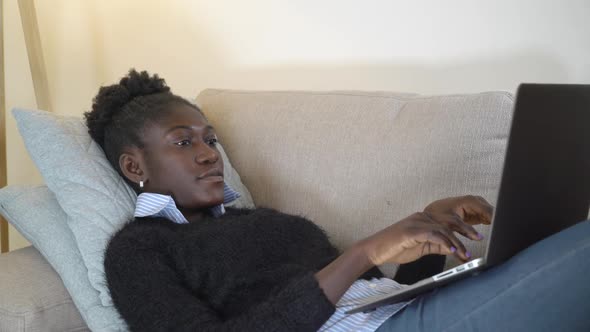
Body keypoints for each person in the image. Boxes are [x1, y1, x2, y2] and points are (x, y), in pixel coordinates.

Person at [87, 69, 590, 332]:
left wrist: (433, 232)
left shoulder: (257, 220)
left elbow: (374, 295)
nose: (207, 154)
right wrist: (363, 253)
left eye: (210, 140)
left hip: (407, 315)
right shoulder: (138, 251)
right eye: (183, 142)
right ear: (135, 166)